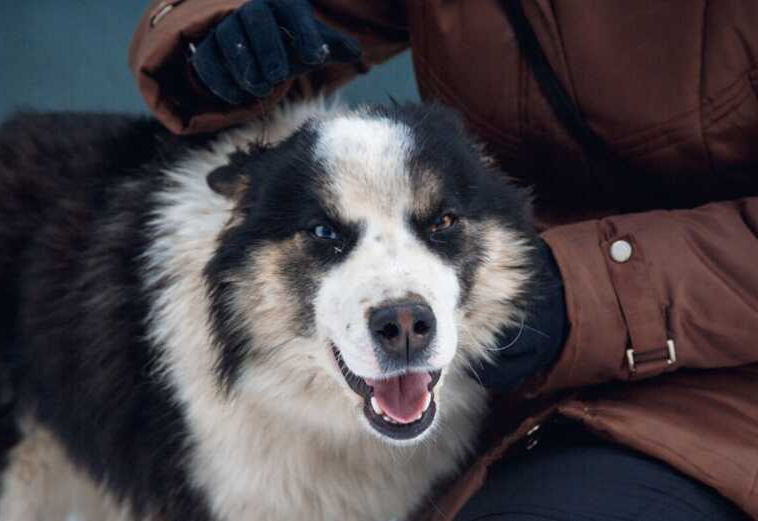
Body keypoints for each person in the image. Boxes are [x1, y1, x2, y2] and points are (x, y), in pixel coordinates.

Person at [129, 1, 758, 519]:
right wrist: (218, 43)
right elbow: (302, 17)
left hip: (723, 392)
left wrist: (594, 292)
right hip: (508, 367)